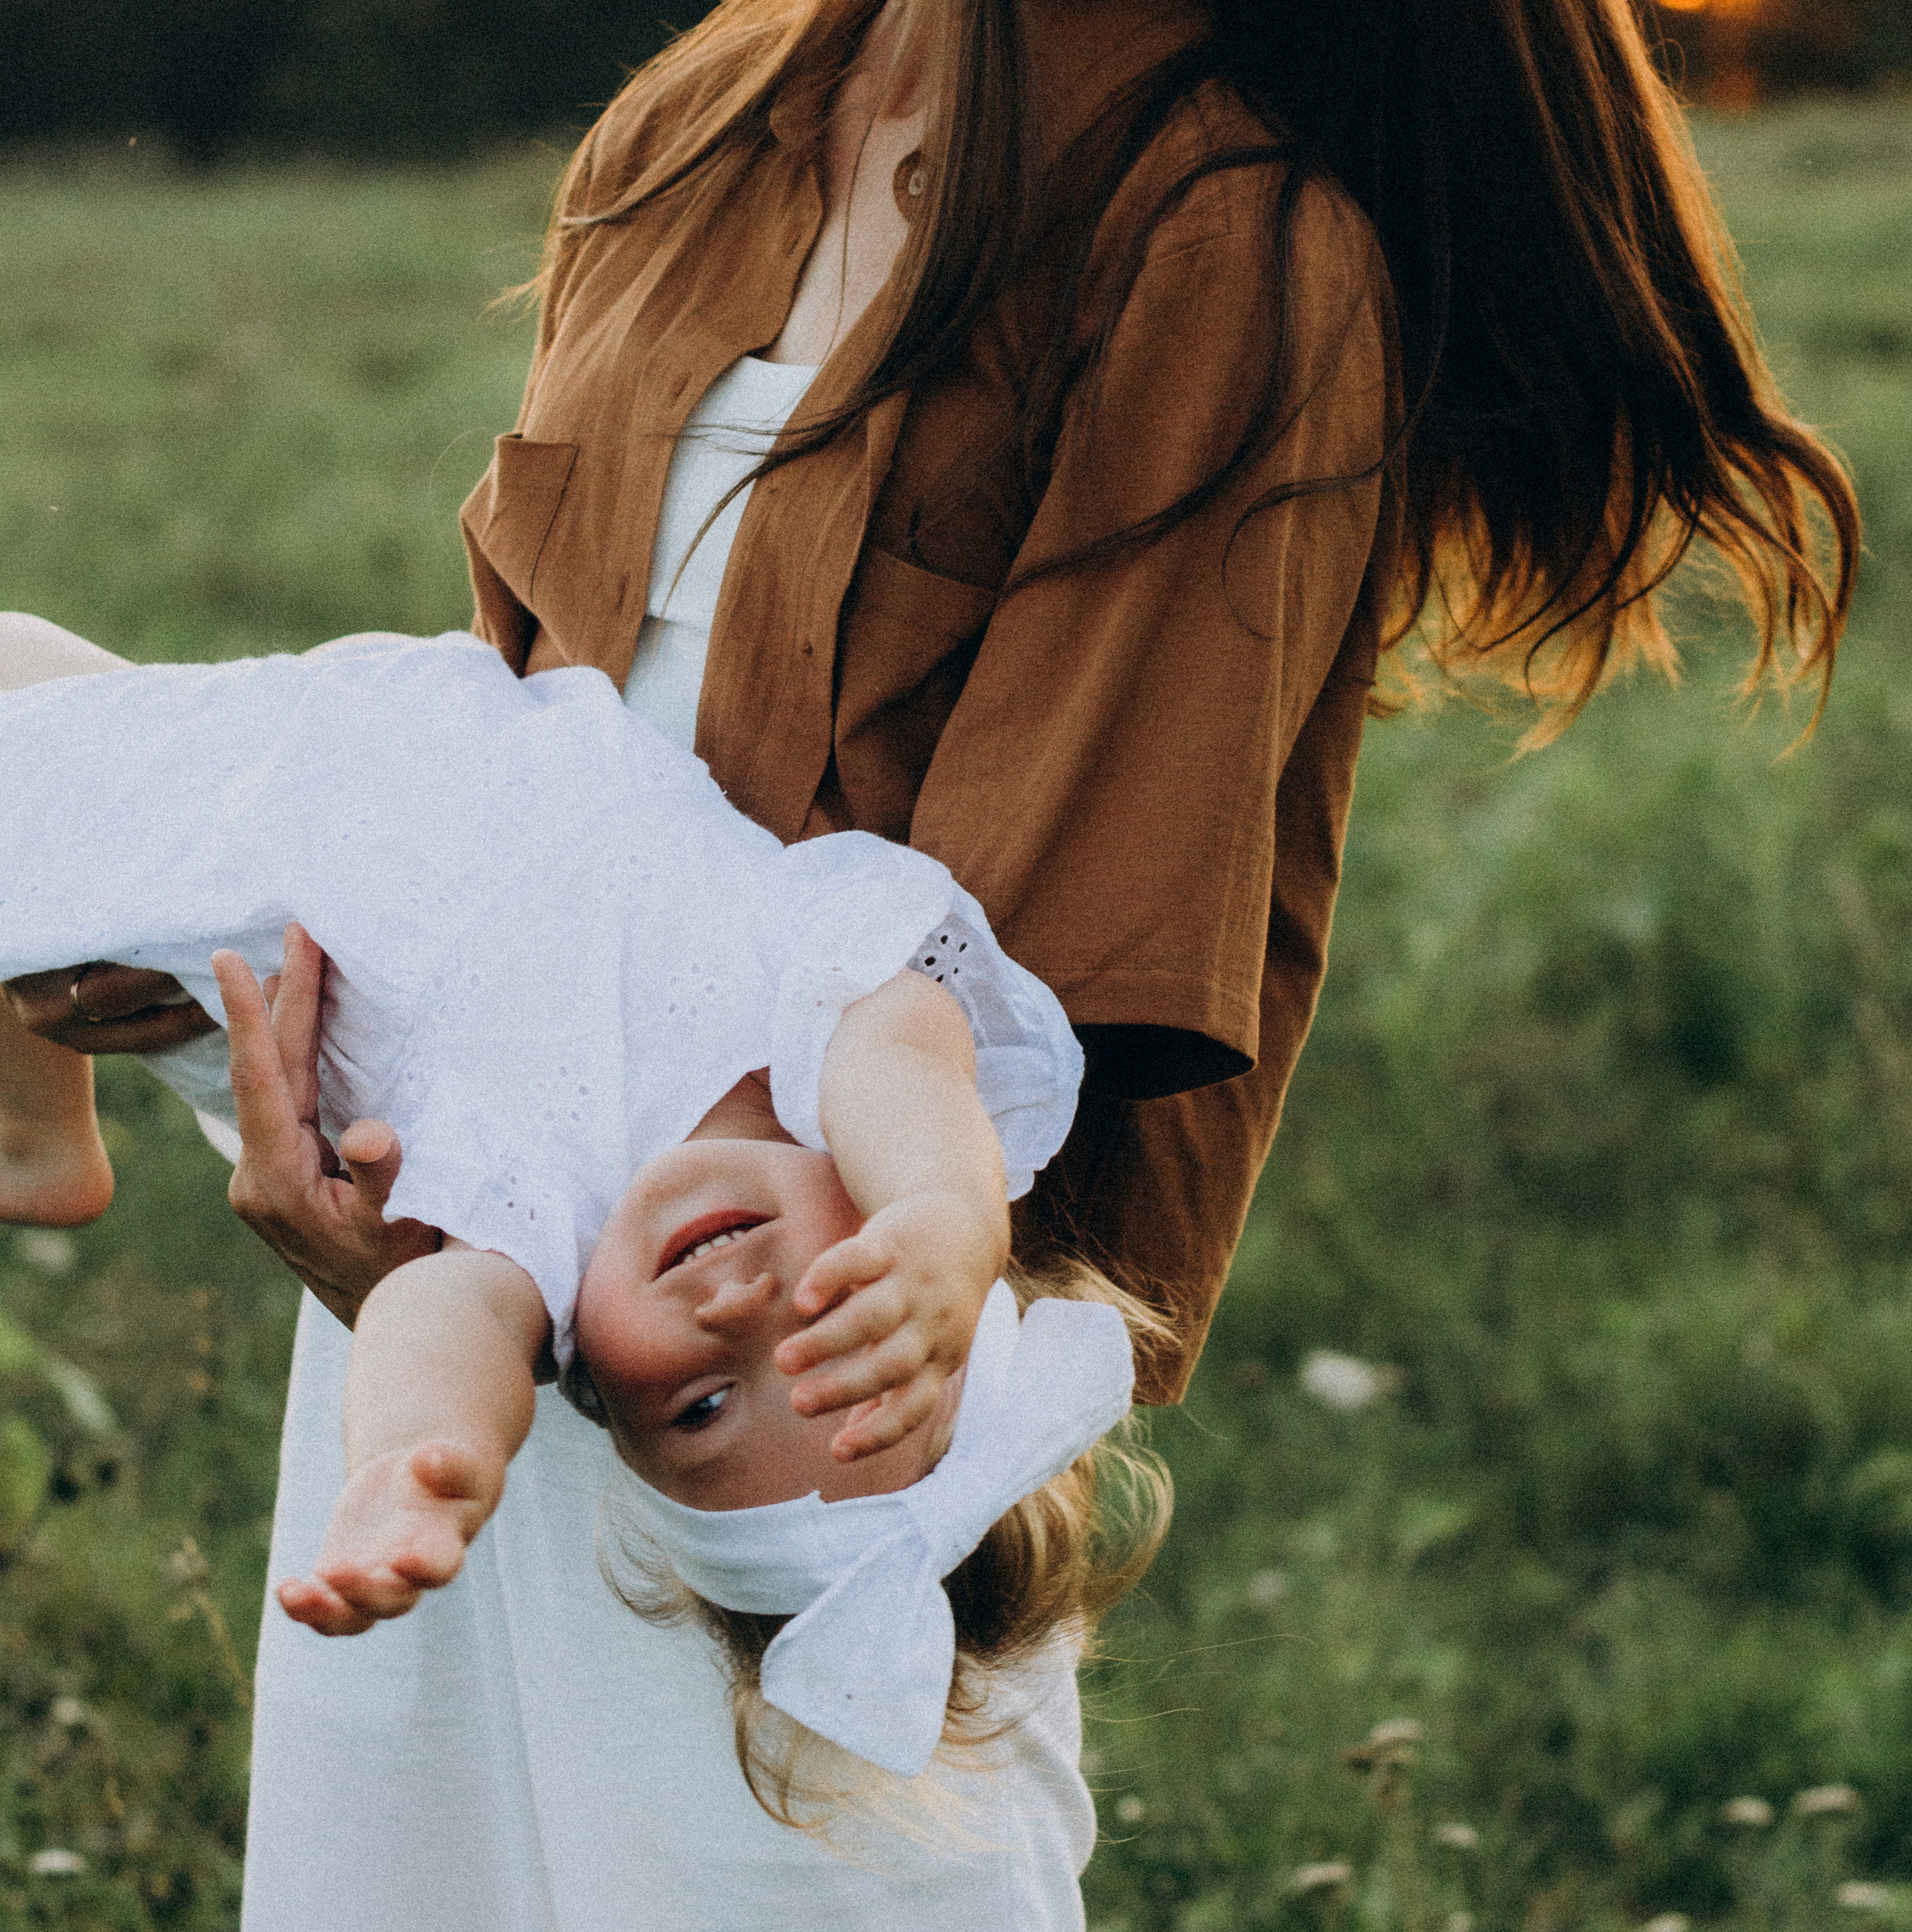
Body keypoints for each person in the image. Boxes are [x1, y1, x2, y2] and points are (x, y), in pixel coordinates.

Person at [4, 0, 1858, 1932]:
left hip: (810, 1383)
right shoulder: (711, 124)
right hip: (437, 1323)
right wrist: (295, 1099)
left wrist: (663, 1292)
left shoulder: (1243, 247)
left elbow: (1019, 986)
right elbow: (505, 780)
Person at [0, 614, 1104, 1654]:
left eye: (703, 1406)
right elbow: (910, 1059)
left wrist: (414, 1452)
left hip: (294, 876)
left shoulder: (553, 1236)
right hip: (411, 741)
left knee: (22, 745)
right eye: (840, 1317)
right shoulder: (813, 1025)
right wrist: (945, 1213)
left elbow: (446, 1316)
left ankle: (32, 1132)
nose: (735, 1314)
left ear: (611, 1411)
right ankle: (36, 1130)